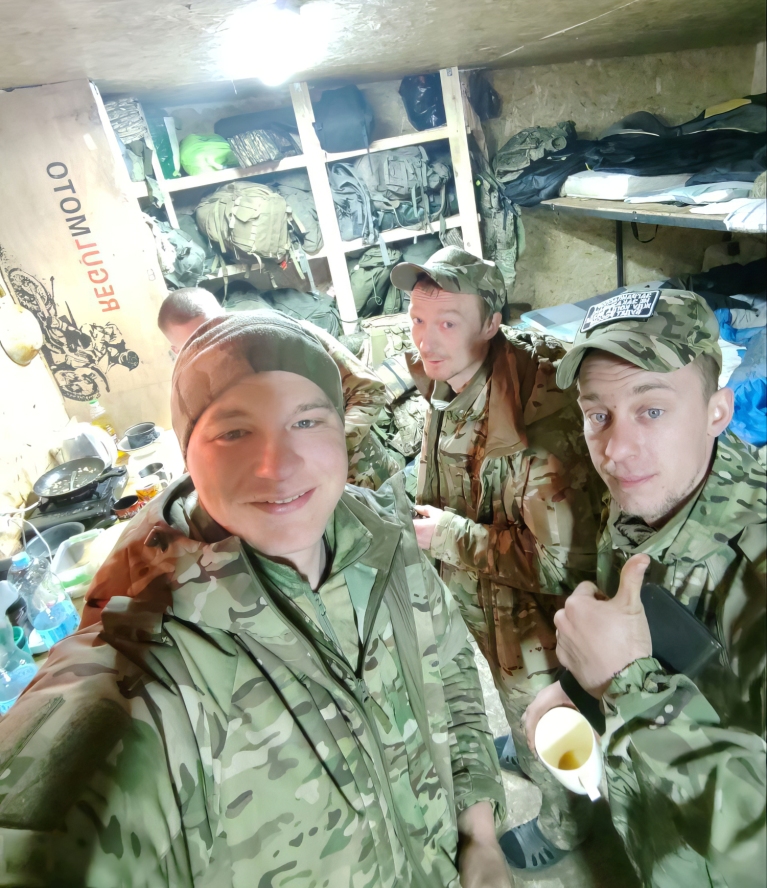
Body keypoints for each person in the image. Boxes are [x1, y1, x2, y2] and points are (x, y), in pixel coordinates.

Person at [0, 311, 509, 888]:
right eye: (234, 432)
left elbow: (452, 672)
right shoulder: (150, 659)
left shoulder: (386, 543)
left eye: (307, 421)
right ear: (188, 456)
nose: (278, 464)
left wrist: (479, 833)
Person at [525, 288, 766, 888]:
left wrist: (626, 686)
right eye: (597, 414)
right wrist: (578, 692)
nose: (615, 450)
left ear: (718, 412)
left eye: (651, 410)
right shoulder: (654, 491)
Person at [389, 247, 604, 870]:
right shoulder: (450, 372)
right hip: (478, 592)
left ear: (491, 323)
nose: (426, 340)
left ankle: (567, 827)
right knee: (516, 708)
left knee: (548, 719)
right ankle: (527, 744)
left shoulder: (540, 426)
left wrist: (448, 536)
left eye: (447, 322)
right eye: (417, 320)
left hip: (534, 615)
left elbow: (560, 566)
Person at [157, 287, 400, 490]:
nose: (213, 344)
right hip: (290, 503)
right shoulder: (192, 388)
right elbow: (199, 454)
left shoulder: (288, 337)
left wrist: (328, 447)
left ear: (224, 313)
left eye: (216, 328)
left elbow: (369, 390)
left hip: (363, 480)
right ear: (178, 351)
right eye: (197, 343)